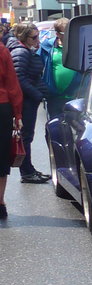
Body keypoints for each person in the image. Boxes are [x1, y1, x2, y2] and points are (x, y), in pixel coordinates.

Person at [9, 22, 50, 183]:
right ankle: (27, 173)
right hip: (25, 101)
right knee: (25, 137)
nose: (37, 40)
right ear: (24, 37)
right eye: (34, 37)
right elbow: (19, 78)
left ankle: (29, 170)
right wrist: (37, 94)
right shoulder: (21, 52)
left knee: (27, 137)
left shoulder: (25, 50)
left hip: (28, 99)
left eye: (37, 36)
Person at [0, 42, 22, 218]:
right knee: (1, 156)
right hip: (1, 107)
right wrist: (18, 114)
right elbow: (12, 84)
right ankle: (0, 203)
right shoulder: (1, 50)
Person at [43, 18, 78, 121]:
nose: (69, 35)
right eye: (65, 32)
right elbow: (36, 67)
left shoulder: (78, 45)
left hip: (75, 95)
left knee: (75, 129)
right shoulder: (48, 46)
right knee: (55, 127)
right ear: (57, 34)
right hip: (54, 97)